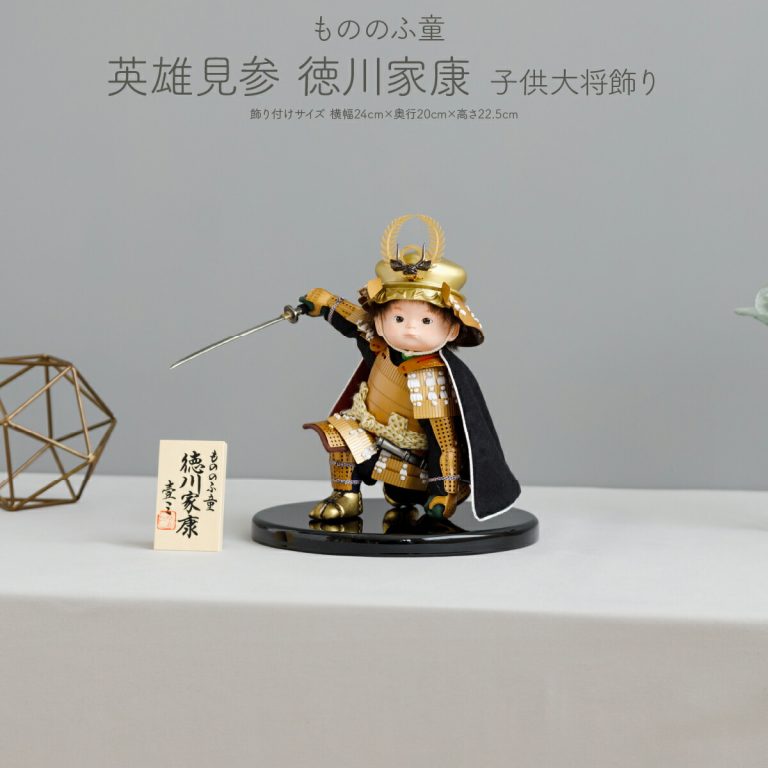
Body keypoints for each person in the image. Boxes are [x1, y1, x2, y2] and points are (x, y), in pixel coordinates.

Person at [299, 214, 521, 521]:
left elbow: (445, 443)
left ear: (452, 330)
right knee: (341, 429)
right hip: (369, 433)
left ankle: (404, 492)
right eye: (399, 318)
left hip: (412, 462)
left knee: (396, 481)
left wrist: (444, 491)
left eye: (426, 320)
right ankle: (346, 496)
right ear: (380, 321)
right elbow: (356, 321)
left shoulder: (431, 378)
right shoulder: (380, 344)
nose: (410, 329)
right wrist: (326, 302)